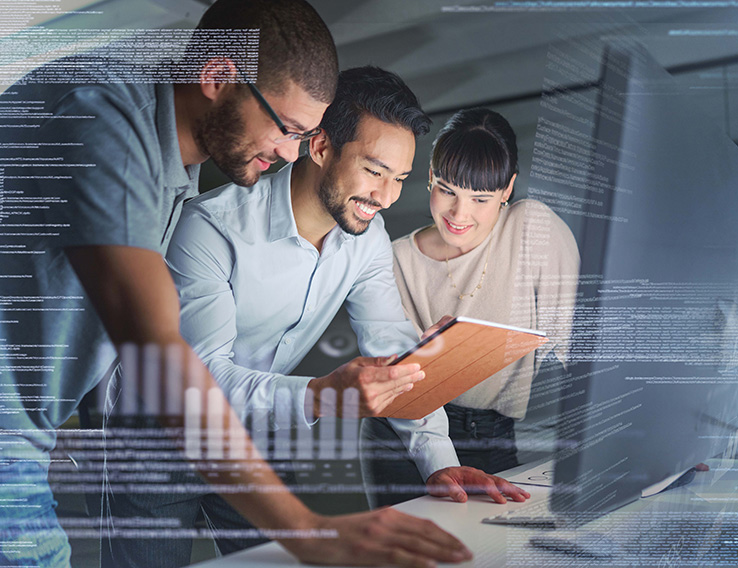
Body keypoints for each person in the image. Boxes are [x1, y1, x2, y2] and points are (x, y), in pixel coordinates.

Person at [0, 1, 472, 567]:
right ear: (219, 77)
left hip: (33, 438)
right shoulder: (106, 116)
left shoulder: (173, 158)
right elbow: (161, 357)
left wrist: (436, 446)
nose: (293, 153)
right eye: (289, 129)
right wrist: (308, 531)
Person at [162, 68, 530, 563]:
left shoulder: (367, 241)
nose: (386, 196)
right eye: (374, 171)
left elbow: (392, 351)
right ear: (319, 147)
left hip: (257, 436)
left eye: (399, 179)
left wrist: (439, 464)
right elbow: (202, 381)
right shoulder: (208, 229)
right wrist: (320, 396)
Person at [361, 108, 580, 507]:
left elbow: (578, 351)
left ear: (507, 188)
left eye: (481, 198)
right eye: (447, 190)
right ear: (429, 175)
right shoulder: (395, 260)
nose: (459, 215)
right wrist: (429, 362)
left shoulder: (532, 229)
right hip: (404, 439)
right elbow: (393, 379)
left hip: (493, 431)